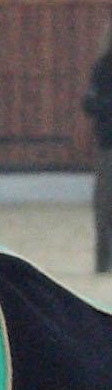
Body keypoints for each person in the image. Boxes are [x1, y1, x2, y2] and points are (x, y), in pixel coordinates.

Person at [86, 29, 112, 272]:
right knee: (104, 206)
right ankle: (103, 260)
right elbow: (90, 102)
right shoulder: (103, 68)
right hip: (108, 145)